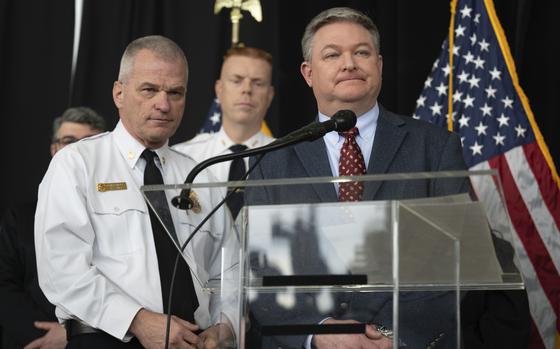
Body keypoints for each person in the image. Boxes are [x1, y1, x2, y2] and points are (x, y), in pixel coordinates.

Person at [247, 7, 470, 349]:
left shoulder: (436, 148)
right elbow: (258, 274)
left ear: (378, 66)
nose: (349, 63)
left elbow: (456, 259)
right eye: (333, 54)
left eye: (361, 52)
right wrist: (319, 332)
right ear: (308, 73)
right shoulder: (269, 161)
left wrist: (393, 336)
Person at [35, 35, 233, 349]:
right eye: (149, 89)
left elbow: (229, 270)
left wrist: (226, 325)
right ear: (119, 93)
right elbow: (62, 270)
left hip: (195, 341)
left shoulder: (200, 175)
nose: (163, 104)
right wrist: (137, 320)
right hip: (108, 339)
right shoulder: (77, 164)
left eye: (175, 92)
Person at [0, 106, 106, 349]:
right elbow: (4, 285)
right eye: (69, 141)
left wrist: (72, 334)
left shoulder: (120, 215)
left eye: (88, 142)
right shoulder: (19, 217)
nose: (76, 150)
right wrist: (42, 337)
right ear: (54, 149)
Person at [173, 46, 275, 219]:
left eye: (258, 83)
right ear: (219, 89)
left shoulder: (286, 158)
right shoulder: (182, 157)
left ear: (270, 95)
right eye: (237, 80)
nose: (247, 89)